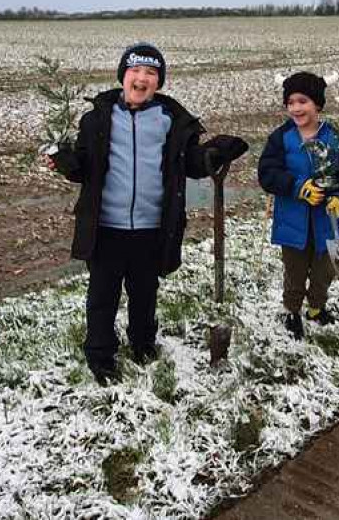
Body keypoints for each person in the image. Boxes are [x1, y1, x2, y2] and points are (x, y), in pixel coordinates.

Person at [48, 42, 248, 384]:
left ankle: (142, 344)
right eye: (135, 71)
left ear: (159, 82)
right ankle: (101, 356)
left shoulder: (170, 121)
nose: (142, 78)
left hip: (152, 226)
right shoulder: (98, 118)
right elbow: (84, 167)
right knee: (102, 296)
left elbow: (190, 163)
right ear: (123, 76)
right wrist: (67, 163)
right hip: (106, 227)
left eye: (151, 73)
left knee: (144, 293)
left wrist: (214, 153)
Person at [258, 71, 339, 339]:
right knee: (295, 272)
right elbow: (267, 173)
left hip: (327, 222)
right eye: (290, 102)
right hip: (293, 222)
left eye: (302, 101)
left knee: (325, 270)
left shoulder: (335, 138)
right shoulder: (280, 138)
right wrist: (298, 188)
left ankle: (316, 308)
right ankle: (292, 311)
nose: (295, 108)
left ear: (317, 104)